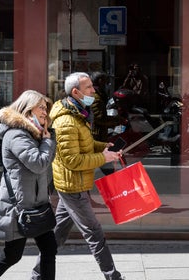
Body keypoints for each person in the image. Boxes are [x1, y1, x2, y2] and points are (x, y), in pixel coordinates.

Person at [31, 72, 125, 280]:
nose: (93, 91)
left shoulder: (78, 114)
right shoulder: (66, 122)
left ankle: (37, 275)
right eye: (89, 87)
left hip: (74, 184)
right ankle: (113, 276)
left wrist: (104, 147)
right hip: (72, 185)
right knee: (94, 232)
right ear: (76, 92)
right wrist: (103, 158)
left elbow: (85, 145)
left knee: (57, 234)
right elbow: (72, 160)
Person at [0, 90, 57, 280]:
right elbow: (38, 163)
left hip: (36, 203)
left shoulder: (34, 134)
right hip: (19, 206)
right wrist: (47, 141)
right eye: (41, 108)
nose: (45, 112)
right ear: (27, 109)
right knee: (12, 256)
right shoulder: (16, 135)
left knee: (49, 248)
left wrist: (46, 138)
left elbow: (45, 163)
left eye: (45, 108)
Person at [90, 71, 125, 175]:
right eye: (105, 80)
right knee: (107, 166)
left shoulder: (98, 95)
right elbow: (100, 119)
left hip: (98, 136)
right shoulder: (96, 98)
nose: (107, 83)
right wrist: (117, 120)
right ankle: (113, 187)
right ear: (100, 81)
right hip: (97, 136)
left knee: (105, 165)